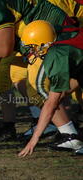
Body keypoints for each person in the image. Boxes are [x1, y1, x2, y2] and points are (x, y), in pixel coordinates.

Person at [0, 0, 82, 142]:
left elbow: (4, 49)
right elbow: (1, 42)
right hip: (39, 39)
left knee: (38, 89)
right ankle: (58, 125)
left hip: (50, 38)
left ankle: (70, 135)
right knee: (24, 79)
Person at [18, 20, 83, 157]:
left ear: (43, 44)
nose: (32, 52)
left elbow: (50, 104)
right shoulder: (63, 40)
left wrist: (34, 138)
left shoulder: (56, 56)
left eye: (33, 47)